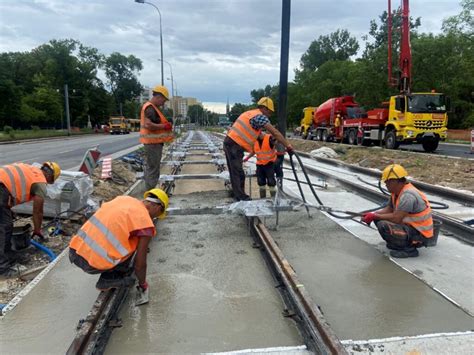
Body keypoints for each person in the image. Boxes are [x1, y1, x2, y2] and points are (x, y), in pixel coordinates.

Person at [69, 188, 169, 305]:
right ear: (157, 207)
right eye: (159, 214)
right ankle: (108, 279)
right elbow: (140, 264)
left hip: (75, 251)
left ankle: (109, 275)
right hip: (91, 263)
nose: (156, 217)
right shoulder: (145, 223)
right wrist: (143, 284)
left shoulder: (124, 199)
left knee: (128, 238)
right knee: (132, 245)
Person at [224, 97, 294, 201]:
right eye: (269, 112)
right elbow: (275, 132)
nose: (269, 115)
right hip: (234, 145)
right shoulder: (259, 117)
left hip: (231, 143)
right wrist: (288, 145)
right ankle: (241, 197)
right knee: (237, 172)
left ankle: (239, 195)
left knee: (236, 172)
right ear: (265, 108)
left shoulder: (250, 113)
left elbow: (257, 134)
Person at [0, 162, 61, 276]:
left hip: (2, 188)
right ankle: (2, 268)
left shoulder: (32, 171)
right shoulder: (39, 181)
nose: (47, 184)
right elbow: (37, 211)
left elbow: (11, 185)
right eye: (49, 182)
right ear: (50, 177)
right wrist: (37, 230)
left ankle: (7, 254)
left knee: (6, 223)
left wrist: (8, 209)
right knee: (4, 227)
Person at [361, 164, 434, 258]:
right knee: (378, 219)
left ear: (397, 181)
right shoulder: (396, 192)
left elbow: (396, 218)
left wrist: (375, 216)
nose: (386, 184)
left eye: (388, 182)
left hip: (420, 234)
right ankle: (398, 243)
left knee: (383, 225)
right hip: (411, 228)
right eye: (386, 182)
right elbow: (389, 209)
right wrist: (372, 214)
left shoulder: (408, 195)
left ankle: (409, 249)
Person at [140, 85, 174, 190]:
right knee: (153, 170)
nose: (164, 103)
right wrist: (164, 126)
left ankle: (150, 193)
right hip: (152, 143)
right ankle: (150, 196)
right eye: (163, 100)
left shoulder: (153, 108)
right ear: (159, 96)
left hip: (154, 143)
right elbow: (148, 125)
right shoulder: (150, 108)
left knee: (152, 168)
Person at [244, 132, 277, 198]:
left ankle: (274, 199)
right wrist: (247, 158)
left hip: (269, 164)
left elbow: (276, 143)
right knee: (261, 182)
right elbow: (254, 151)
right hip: (260, 165)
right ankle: (262, 199)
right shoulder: (255, 140)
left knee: (271, 182)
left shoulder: (269, 138)